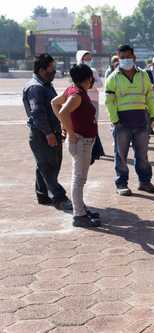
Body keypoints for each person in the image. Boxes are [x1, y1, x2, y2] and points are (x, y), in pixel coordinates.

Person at [105, 45, 154, 196]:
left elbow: (149, 96)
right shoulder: (112, 78)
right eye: (122, 57)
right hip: (121, 123)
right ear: (118, 58)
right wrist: (115, 120)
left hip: (141, 121)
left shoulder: (143, 75)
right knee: (121, 155)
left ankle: (145, 182)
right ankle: (121, 184)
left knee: (142, 154)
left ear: (134, 57)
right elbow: (109, 102)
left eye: (128, 57)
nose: (125, 60)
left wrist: (153, 115)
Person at [51, 64, 101, 228]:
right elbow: (63, 111)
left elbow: (54, 103)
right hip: (81, 142)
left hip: (82, 141)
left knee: (79, 178)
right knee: (79, 179)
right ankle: (79, 215)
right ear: (87, 79)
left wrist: (66, 127)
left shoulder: (71, 90)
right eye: (91, 78)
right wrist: (69, 131)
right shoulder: (77, 95)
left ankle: (81, 210)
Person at [22, 53, 72, 211]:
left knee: (45, 164)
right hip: (42, 134)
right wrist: (48, 134)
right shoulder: (36, 87)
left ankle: (42, 194)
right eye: (52, 68)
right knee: (48, 166)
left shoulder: (45, 84)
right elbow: (38, 113)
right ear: (42, 70)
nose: (54, 71)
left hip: (50, 131)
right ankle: (59, 197)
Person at [76, 50, 105, 163]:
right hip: (80, 100)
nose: (88, 60)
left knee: (93, 123)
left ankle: (95, 149)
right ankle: (94, 149)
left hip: (93, 100)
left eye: (89, 58)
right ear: (80, 59)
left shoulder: (93, 71)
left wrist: (88, 84)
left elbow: (100, 84)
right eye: (86, 58)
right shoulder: (77, 71)